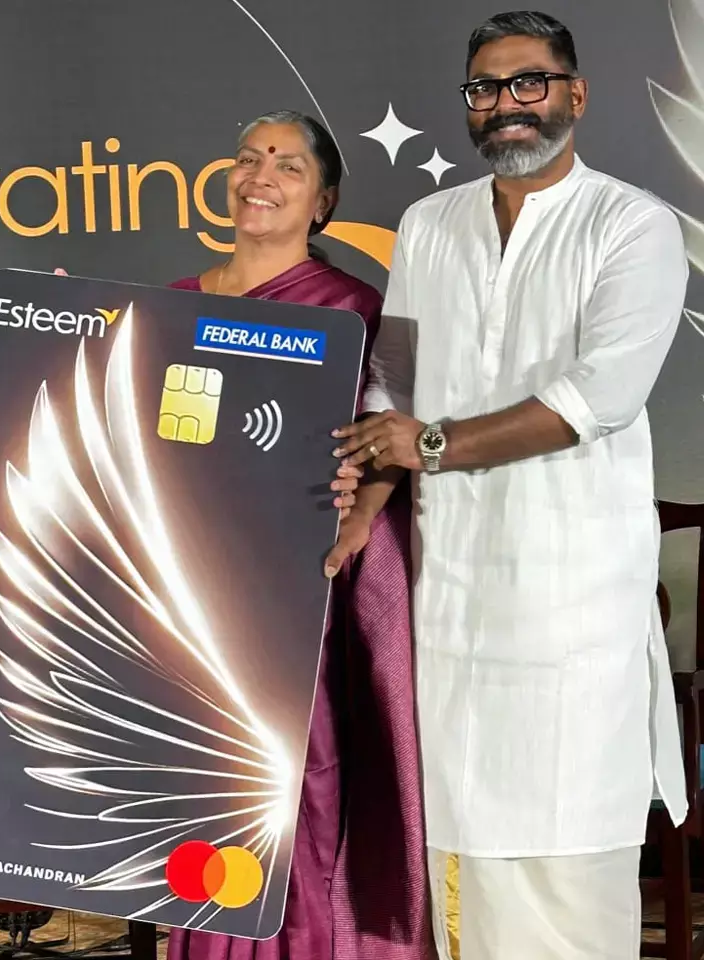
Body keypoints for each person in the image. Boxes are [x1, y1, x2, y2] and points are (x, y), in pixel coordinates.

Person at [331, 11, 688, 959]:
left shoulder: (632, 224)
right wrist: (361, 515)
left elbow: (598, 397)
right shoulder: (429, 223)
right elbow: (395, 384)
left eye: (529, 82)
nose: (506, 105)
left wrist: (429, 444)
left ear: (575, 94)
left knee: (568, 870)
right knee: (462, 867)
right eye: (485, 88)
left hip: (574, 607)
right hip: (454, 605)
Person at [165, 113, 429, 960]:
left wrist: (359, 492)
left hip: (295, 598)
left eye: (287, 165)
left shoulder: (352, 310)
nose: (260, 176)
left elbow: (385, 446)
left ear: (324, 201)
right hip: (190, 597)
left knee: (292, 789)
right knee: (203, 798)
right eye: (248, 158)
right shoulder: (172, 305)